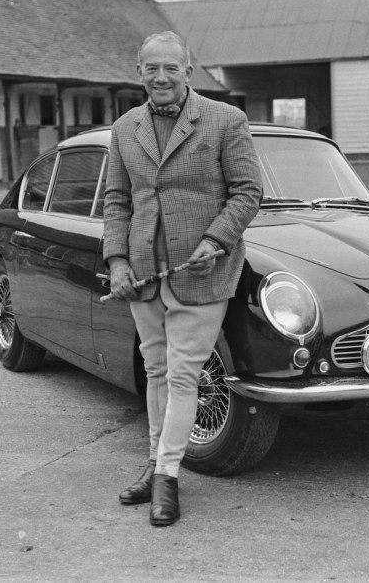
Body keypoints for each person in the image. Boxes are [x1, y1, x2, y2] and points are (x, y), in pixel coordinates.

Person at [102, 31, 262, 526]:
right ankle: (154, 467)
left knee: (183, 374)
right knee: (154, 373)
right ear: (139, 72)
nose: (161, 78)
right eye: (152, 68)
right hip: (144, 276)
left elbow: (247, 191)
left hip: (203, 274)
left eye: (171, 68)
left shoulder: (226, 120)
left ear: (188, 72)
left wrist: (215, 241)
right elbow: (117, 202)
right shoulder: (125, 128)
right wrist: (117, 262)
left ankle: (168, 477)